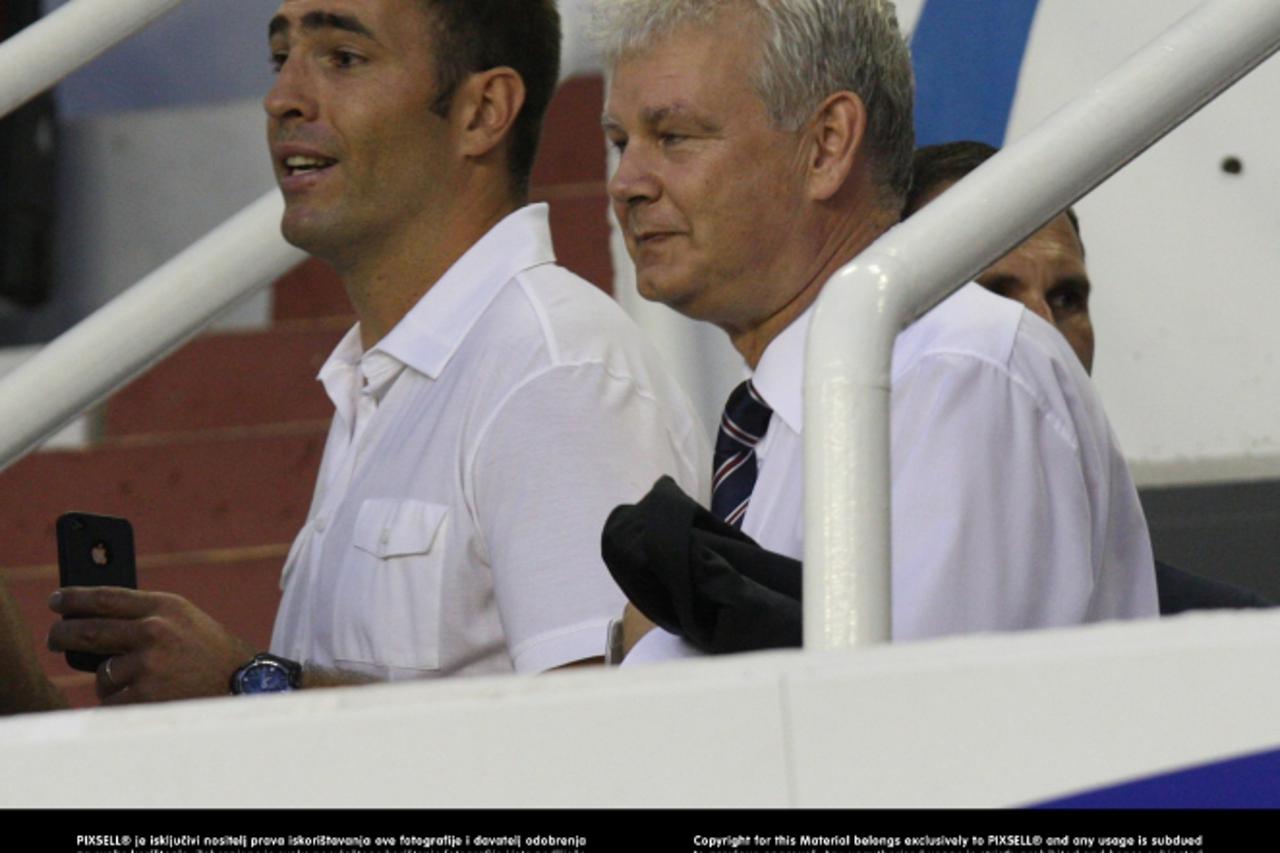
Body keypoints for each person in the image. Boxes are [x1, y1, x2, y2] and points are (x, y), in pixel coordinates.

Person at [0, 0, 707, 711]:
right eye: (281, 59)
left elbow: (604, 747)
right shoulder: (391, 382)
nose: (282, 98)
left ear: (483, 111)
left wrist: (251, 678)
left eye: (342, 58)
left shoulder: (556, 371)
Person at [595, 0, 1158, 663]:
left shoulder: (956, 369)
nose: (626, 183)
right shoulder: (795, 412)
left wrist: (649, 650)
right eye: (619, 142)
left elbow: (909, 732)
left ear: (828, 144)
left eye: (675, 136)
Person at [906, 140, 1272, 615]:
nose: (1039, 329)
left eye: (1066, 299)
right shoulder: (806, 587)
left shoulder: (1226, 639)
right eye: (990, 299)